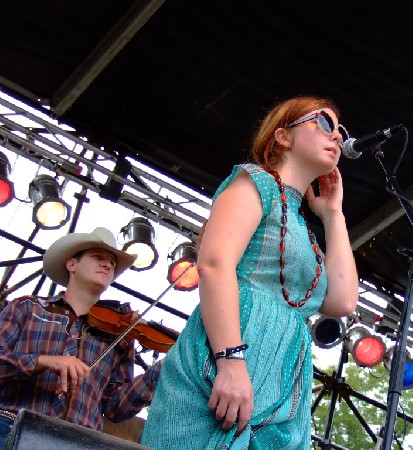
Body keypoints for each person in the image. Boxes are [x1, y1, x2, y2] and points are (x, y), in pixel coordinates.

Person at [141, 96, 359, 449]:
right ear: (283, 137)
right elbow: (214, 265)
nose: (336, 136)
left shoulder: (303, 227)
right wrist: (230, 361)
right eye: (323, 123)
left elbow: (342, 299)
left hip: (282, 375)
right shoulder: (255, 182)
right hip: (229, 356)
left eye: (341, 130)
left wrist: (334, 215)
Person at [0, 227, 162, 447]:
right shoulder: (27, 308)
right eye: (98, 257)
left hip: (76, 443)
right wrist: (42, 361)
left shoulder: (120, 336)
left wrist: (161, 370)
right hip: (9, 429)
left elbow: (116, 408)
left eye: (112, 264)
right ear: (71, 264)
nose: (107, 265)